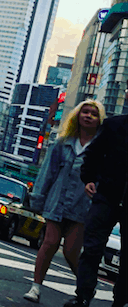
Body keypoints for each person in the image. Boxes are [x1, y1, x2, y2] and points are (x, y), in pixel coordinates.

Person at [23, 100, 105, 303]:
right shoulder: (62, 143)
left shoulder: (101, 149)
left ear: (99, 120)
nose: (88, 116)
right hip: (56, 201)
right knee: (49, 243)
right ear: (77, 115)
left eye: (93, 114)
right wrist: (38, 199)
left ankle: (86, 285)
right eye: (84, 112)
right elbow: (46, 173)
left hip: (82, 206)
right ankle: (35, 287)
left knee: (71, 251)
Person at [64, 112, 127, 307]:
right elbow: (93, 153)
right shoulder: (113, 125)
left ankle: (120, 301)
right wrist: (89, 177)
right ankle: (82, 296)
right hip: (106, 195)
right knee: (91, 248)